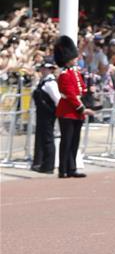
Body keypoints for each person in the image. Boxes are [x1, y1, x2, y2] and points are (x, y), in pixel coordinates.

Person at [54, 36, 95, 178]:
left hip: (76, 111)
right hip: (67, 111)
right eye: (73, 56)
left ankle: (72, 168)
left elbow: (81, 88)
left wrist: (88, 91)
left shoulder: (75, 72)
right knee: (66, 141)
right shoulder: (64, 74)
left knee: (74, 141)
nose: (76, 58)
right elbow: (70, 95)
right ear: (67, 58)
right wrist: (82, 108)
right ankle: (63, 169)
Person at [30, 57, 60, 174]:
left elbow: (57, 100)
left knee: (48, 139)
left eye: (46, 68)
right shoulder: (43, 81)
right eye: (43, 68)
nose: (43, 70)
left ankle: (48, 165)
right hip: (42, 114)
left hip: (48, 115)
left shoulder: (50, 83)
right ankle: (41, 162)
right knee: (42, 138)